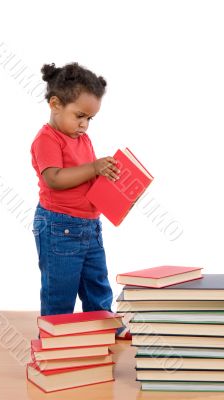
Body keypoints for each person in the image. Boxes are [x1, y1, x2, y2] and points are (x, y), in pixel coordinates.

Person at [31, 62, 130, 338]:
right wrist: (94, 168)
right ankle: (54, 338)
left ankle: (104, 328)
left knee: (97, 283)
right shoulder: (47, 140)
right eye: (79, 116)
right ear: (55, 104)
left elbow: (85, 179)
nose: (84, 124)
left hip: (90, 226)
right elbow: (55, 178)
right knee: (60, 289)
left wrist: (111, 182)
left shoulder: (81, 138)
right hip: (59, 228)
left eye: (90, 118)